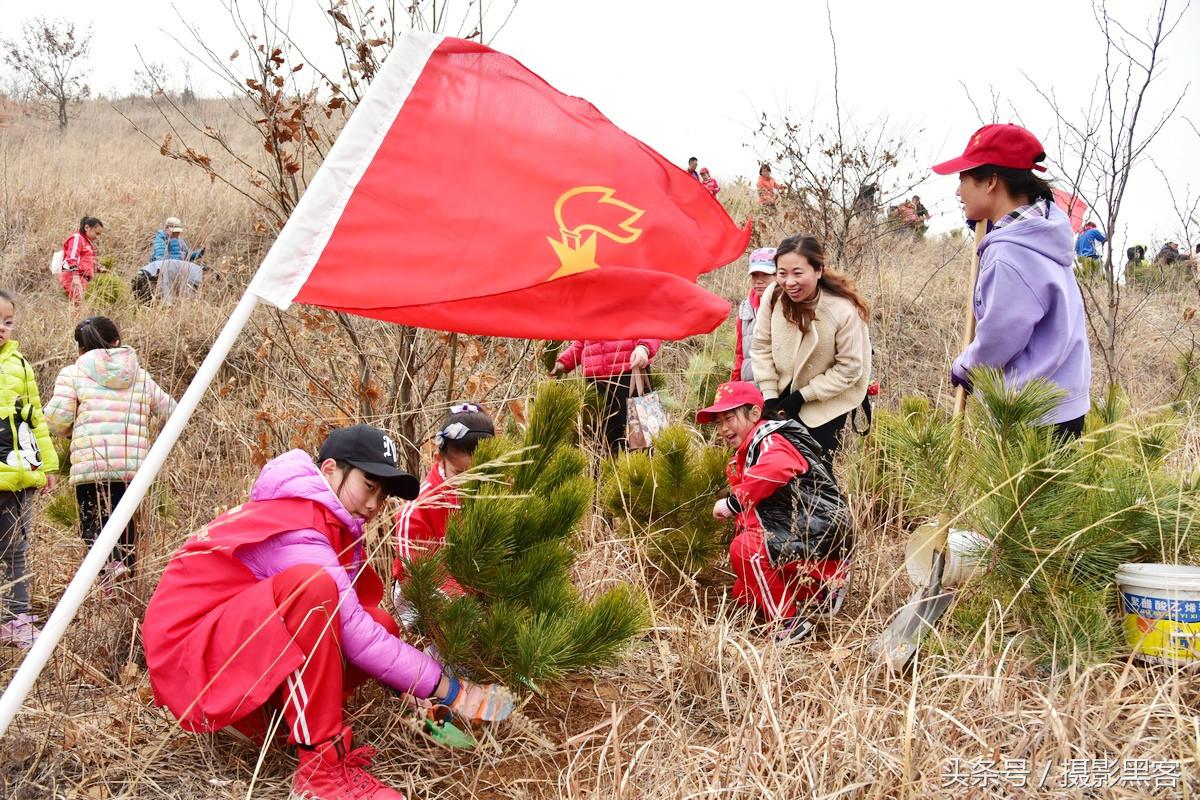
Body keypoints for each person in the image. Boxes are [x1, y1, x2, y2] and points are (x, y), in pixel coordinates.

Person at [142, 425, 514, 800]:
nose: (374, 505)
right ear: (330, 469)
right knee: (314, 590)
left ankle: (280, 722)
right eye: (369, 485)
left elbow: (359, 628)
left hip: (230, 650)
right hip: (192, 665)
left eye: (383, 496)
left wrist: (413, 693)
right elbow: (351, 633)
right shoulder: (297, 524)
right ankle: (321, 774)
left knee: (380, 621)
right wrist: (453, 691)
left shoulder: (327, 523)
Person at [932, 123, 1092, 439]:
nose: (958, 191)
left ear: (991, 182)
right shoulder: (1043, 230)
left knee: (1020, 492)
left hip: (1032, 413)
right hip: (1063, 400)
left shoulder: (1010, 253)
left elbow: (1001, 336)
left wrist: (966, 367)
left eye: (963, 179)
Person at [698, 381, 853, 643]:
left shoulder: (770, 438)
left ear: (755, 414)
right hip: (805, 531)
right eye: (718, 422)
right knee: (746, 593)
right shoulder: (749, 451)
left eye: (729, 418)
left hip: (820, 528)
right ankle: (821, 589)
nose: (723, 429)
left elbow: (777, 468)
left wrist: (734, 503)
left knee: (745, 550)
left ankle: (787, 623)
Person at [44, 316, 176, 579]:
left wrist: (71, 429)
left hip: (91, 465)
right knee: (126, 527)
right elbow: (171, 409)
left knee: (93, 524)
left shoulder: (73, 373)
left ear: (80, 348)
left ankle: (107, 573)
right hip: (132, 467)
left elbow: (56, 418)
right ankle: (126, 579)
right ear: (117, 341)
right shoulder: (139, 376)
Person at [750, 234, 872, 471]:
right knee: (773, 468)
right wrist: (770, 395)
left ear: (818, 270)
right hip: (780, 392)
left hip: (825, 401)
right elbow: (761, 346)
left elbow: (849, 369)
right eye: (782, 273)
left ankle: (825, 509)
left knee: (816, 473)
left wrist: (802, 396)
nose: (789, 282)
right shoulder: (773, 295)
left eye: (798, 273)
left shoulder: (843, 310)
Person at [392, 403, 495, 626]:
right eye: (459, 474)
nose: (469, 483)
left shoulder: (497, 496)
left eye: (480, 473)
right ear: (440, 459)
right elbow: (418, 573)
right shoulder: (419, 508)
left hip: (472, 590)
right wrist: (467, 610)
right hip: (421, 594)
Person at [0, 290, 59, 648]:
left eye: (7, 322)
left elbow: (34, 417)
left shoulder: (20, 365)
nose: (2, 328)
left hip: (18, 475)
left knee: (16, 548)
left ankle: (16, 618)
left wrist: (48, 464)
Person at [552, 337, 661, 451]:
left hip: (631, 376)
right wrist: (563, 362)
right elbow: (583, 340)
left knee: (641, 442)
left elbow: (653, 326)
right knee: (603, 446)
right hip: (597, 383)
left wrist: (644, 347)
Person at [133, 217, 205, 304]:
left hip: (176, 272)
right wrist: (174, 258)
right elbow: (159, 258)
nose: (176, 233)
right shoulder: (161, 240)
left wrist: (199, 253)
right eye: (174, 231)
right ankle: (166, 303)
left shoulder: (181, 242)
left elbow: (188, 255)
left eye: (178, 231)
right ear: (167, 229)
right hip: (162, 273)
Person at [732, 248, 776, 382]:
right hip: (749, 388)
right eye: (755, 275)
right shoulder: (746, 308)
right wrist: (735, 384)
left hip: (776, 391)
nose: (758, 281)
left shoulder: (787, 308)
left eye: (765, 275)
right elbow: (740, 353)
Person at [61, 217, 104, 305]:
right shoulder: (77, 238)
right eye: (96, 233)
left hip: (83, 278)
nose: (97, 237)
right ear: (87, 228)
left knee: (81, 305)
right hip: (73, 276)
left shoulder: (88, 243)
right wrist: (75, 277)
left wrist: (98, 268)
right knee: (78, 305)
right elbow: (72, 257)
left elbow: (87, 261)